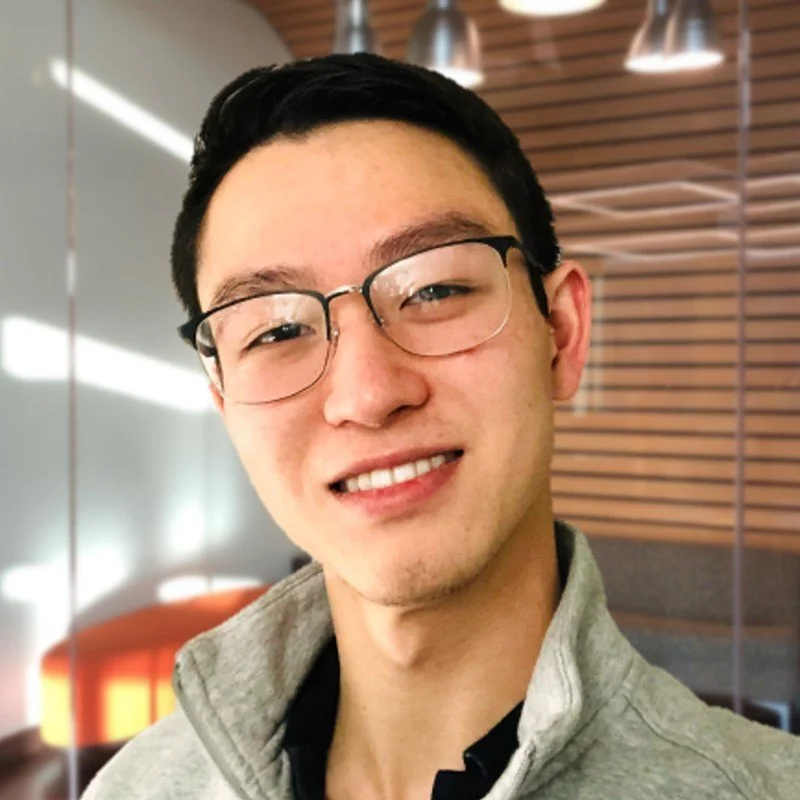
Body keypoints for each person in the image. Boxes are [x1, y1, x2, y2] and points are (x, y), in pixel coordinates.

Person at [83, 53, 800, 800]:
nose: (367, 393)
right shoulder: (135, 786)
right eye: (273, 331)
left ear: (560, 331)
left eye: (432, 288)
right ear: (225, 403)